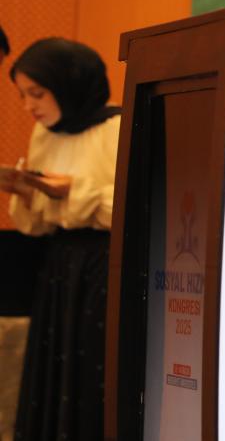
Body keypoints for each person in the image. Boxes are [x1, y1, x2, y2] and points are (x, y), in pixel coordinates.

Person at [2, 39, 120, 441]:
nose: (28, 106)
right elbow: (39, 224)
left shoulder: (118, 128)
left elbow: (131, 207)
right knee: (55, 369)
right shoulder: (44, 134)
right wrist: (26, 191)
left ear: (68, 83)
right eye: (22, 95)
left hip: (104, 264)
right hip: (59, 263)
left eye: (37, 93)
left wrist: (72, 190)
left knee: (92, 367)